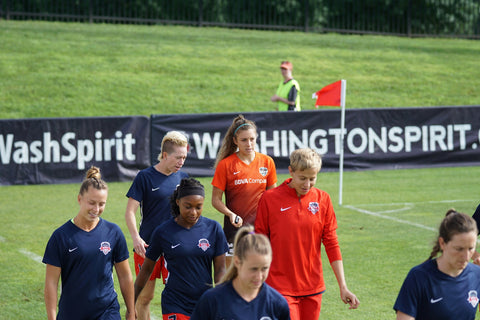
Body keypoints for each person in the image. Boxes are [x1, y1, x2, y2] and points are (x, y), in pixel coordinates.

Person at [255, 148, 359, 320]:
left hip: (313, 287)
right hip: (279, 286)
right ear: (291, 171)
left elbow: (332, 243)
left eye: (312, 179)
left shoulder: (323, 199)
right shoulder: (269, 199)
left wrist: (343, 286)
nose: (307, 184)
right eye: (302, 178)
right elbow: (260, 243)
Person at [43, 166, 135, 320]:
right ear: (79, 199)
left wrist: (131, 311)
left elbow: (125, 276)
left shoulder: (113, 232)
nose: (96, 209)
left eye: (102, 204)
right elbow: (51, 284)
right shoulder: (60, 237)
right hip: (72, 313)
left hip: (107, 312)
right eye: (92, 203)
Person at [134, 177, 228, 320]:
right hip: (175, 304)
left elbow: (220, 270)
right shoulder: (163, 231)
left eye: (198, 207)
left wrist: (222, 299)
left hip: (204, 303)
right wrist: (132, 300)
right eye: (188, 206)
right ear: (178, 202)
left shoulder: (213, 229)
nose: (193, 212)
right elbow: (147, 269)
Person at [125, 130, 189, 320]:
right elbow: (130, 212)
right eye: (178, 157)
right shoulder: (145, 177)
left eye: (184, 157)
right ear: (165, 155)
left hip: (175, 245)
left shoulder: (183, 177)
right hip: (147, 246)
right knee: (145, 297)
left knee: (177, 294)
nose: (181, 162)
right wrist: (136, 238)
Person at [211, 114, 277, 267]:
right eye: (244, 140)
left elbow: (273, 197)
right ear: (235, 141)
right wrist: (230, 214)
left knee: (258, 273)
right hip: (234, 231)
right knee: (231, 277)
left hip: (260, 229)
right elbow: (215, 200)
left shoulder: (267, 162)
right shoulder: (226, 165)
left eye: (252, 139)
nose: (249, 144)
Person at [394, 209, 480, 320]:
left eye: (471, 248)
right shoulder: (419, 277)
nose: (466, 256)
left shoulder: (476, 275)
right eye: (459, 249)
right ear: (442, 243)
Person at [190, 225, 290, 319]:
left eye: (264, 268)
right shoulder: (212, 300)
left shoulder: (278, 304)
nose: (259, 277)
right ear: (237, 262)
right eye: (253, 269)